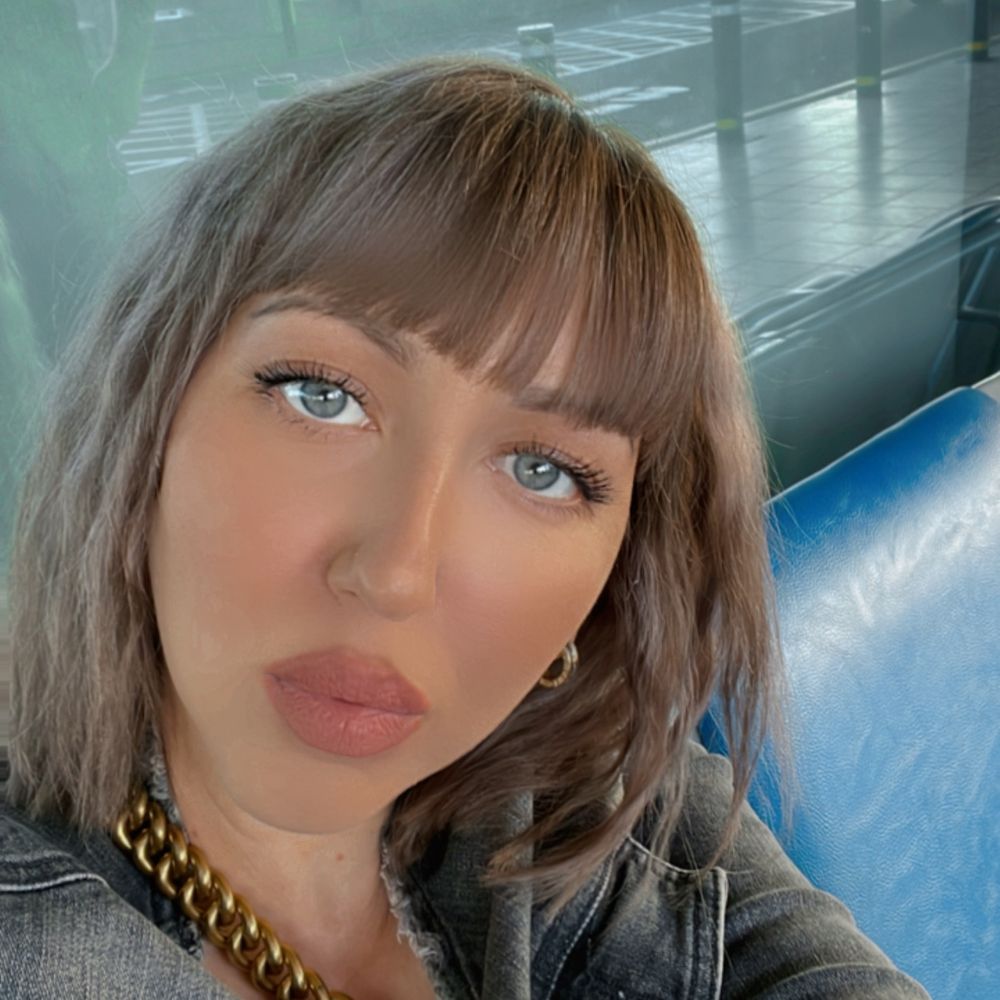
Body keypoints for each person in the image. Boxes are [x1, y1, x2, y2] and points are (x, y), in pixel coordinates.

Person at [0, 58, 928, 999]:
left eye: (542, 470)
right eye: (322, 396)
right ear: (147, 414)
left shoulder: (609, 785)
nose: (396, 574)